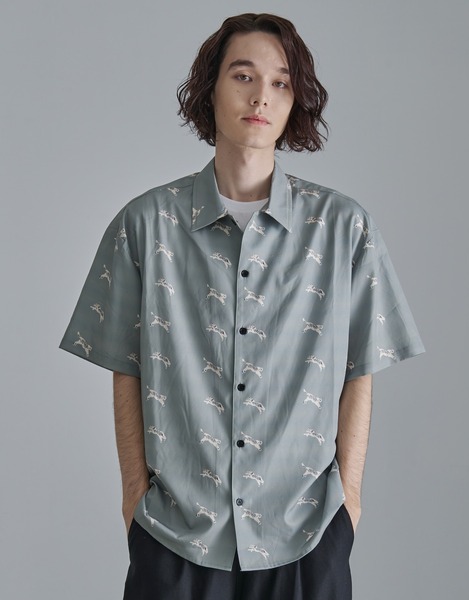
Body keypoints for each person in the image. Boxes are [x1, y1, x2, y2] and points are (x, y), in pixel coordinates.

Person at [60, 13, 424, 600]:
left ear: (296, 99)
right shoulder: (145, 225)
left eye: (281, 82)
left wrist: (350, 502)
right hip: (176, 536)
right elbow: (125, 367)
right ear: (211, 88)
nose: (261, 97)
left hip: (307, 533)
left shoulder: (344, 228)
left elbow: (361, 370)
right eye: (243, 75)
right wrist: (134, 499)